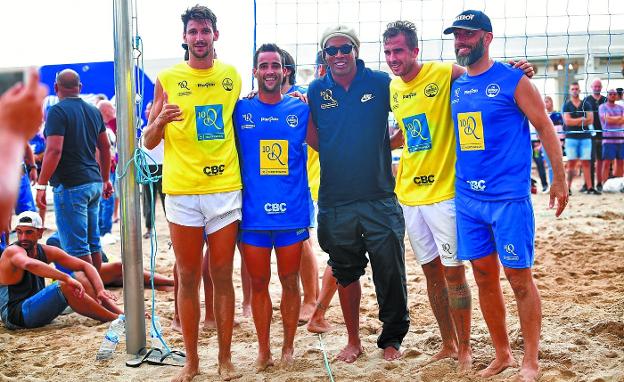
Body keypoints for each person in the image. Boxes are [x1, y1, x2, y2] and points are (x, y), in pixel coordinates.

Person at [445, 10, 568, 381]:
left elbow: (545, 127)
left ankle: (531, 361)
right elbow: (410, 78)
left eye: (468, 34)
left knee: (518, 278)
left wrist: (559, 180)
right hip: (467, 198)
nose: (461, 40)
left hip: (508, 199)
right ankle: (503, 355)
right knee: (483, 276)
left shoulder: (514, 80)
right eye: (457, 36)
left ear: (487, 37)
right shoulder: (456, 81)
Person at [141, 5, 242, 381]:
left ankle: (226, 358)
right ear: (184, 37)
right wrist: (159, 121)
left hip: (224, 189)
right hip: (182, 191)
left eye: (205, 31)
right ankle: (192, 362)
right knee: (187, 276)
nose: (199, 38)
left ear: (216, 34)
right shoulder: (167, 77)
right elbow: (149, 143)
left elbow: (244, 122)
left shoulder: (231, 75)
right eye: (193, 32)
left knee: (221, 274)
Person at [307, 25, 409, 362]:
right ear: (324, 56)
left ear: (356, 50)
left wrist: (387, 143)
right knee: (345, 271)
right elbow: (307, 130)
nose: (338, 55)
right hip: (336, 199)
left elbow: (416, 104)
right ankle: (353, 341)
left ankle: (391, 339)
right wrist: (336, 151)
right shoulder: (316, 90)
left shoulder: (381, 82)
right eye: (331, 51)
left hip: (379, 195)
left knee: (389, 270)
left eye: (344, 49)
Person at [383, 20, 473, 370]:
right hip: (409, 195)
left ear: (415, 50)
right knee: (431, 273)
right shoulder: (393, 89)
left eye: (399, 51)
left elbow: (484, 78)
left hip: (444, 193)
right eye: (388, 51)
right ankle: (448, 344)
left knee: (454, 273)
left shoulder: (443, 72)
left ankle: (465, 349)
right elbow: (402, 135)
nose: (393, 58)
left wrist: (517, 70)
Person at [234, 43, 311, 370]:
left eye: (275, 66)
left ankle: (288, 347)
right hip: (253, 215)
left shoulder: (301, 109)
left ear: (284, 71)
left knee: (290, 280)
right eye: (263, 66)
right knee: (259, 282)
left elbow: (330, 138)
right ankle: (264, 349)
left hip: (291, 212)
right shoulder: (239, 110)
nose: (269, 71)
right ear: (255, 71)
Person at [36, 69, 113, 271]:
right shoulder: (94, 111)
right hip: (94, 182)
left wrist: (42, 184)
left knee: (77, 248)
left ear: (55, 88)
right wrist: (105, 179)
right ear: (79, 88)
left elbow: (54, 150)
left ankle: (93, 294)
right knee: (93, 242)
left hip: (71, 184)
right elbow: (105, 147)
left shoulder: (57, 111)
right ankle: (99, 289)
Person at [0, 211, 121, 330]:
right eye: (19, 232)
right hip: (15, 316)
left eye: (29, 232)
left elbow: (85, 266)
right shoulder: (13, 251)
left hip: (34, 309)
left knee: (78, 277)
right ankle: (116, 318)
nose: (23, 238)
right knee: (66, 285)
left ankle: (120, 314)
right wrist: (66, 278)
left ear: (40, 232)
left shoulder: (46, 251)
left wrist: (100, 289)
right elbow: (29, 264)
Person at [305, 50, 340, 335]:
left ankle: (317, 309)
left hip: (327, 186)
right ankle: (317, 311)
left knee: (345, 255)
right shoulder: (312, 99)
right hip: (324, 187)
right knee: (342, 254)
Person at [0, 69, 48, 235]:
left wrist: (32, 167)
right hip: (12, 174)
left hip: (19, 173)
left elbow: (25, 144)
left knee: (27, 214)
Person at [562, 82, 599, 195]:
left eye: (576, 88)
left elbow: (591, 120)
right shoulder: (567, 105)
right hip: (571, 137)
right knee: (571, 163)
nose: (574, 90)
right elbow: (567, 121)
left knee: (586, 163)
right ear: (570, 90)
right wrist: (583, 120)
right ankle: (567, 188)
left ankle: (590, 188)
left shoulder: (586, 104)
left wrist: (575, 121)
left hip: (585, 137)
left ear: (579, 90)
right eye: (573, 89)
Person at [140, 101, 166, 239]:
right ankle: (149, 228)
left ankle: (172, 225)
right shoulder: (145, 128)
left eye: (149, 109)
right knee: (147, 199)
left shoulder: (163, 127)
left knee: (166, 198)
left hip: (162, 165)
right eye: (146, 109)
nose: (146, 112)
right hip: (146, 166)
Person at [95, 100, 118, 245]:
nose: (114, 111)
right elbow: (102, 149)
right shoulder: (100, 127)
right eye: (111, 109)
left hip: (109, 168)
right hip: (105, 169)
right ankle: (104, 232)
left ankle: (103, 231)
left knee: (105, 201)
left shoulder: (108, 126)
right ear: (105, 110)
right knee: (106, 200)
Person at [583, 79, 607, 191]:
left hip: (604, 134)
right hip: (590, 134)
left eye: (599, 86)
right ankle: (588, 184)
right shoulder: (586, 100)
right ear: (592, 87)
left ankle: (600, 183)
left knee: (601, 160)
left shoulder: (605, 100)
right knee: (589, 160)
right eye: (595, 86)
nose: (597, 88)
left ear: (601, 87)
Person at [599, 89, 624, 179]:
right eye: (611, 94)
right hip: (608, 139)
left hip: (620, 139)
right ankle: (604, 184)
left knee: (621, 162)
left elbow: (623, 120)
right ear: (608, 95)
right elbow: (606, 119)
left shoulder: (621, 107)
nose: (613, 95)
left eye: (614, 94)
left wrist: (612, 119)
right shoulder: (602, 107)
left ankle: (618, 184)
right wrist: (618, 118)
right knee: (606, 163)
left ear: (617, 95)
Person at [543, 95, 565, 187]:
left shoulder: (557, 115)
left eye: (547, 101)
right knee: (550, 166)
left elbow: (561, 130)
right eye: (544, 101)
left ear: (551, 102)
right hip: (546, 143)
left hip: (557, 143)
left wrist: (562, 142)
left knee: (559, 165)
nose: (545, 103)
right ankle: (553, 185)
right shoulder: (542, 115)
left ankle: (561, 185)